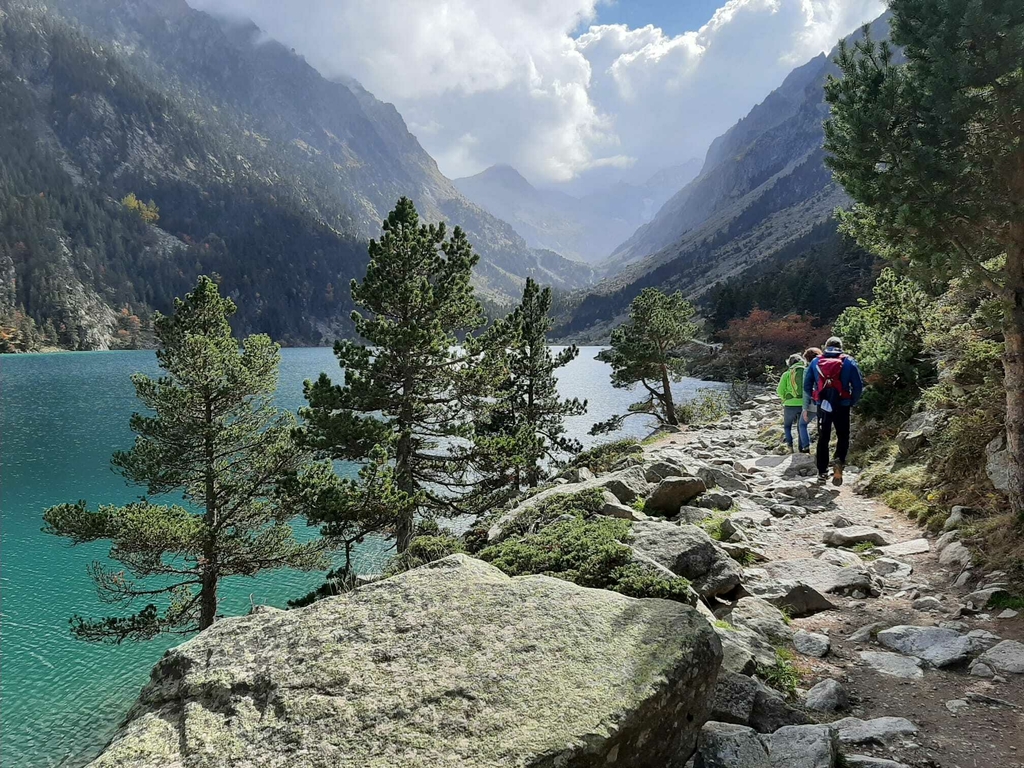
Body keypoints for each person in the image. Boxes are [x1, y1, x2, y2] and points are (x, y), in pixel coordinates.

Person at [803, 337, 863, 486]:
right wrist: (850, 401)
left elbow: (806, 385)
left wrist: (817, 397)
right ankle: (839, 461)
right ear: (841, 347)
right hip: (842, 405)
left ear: (826, 347)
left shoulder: (816, 361)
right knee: (843, 435)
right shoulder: (848, 361)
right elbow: (858, 386)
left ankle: (822, 472)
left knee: (823, 437)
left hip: (823, 405)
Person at [777, 353, 810, 453]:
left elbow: (779, 390)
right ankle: (804, 447)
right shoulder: (807, 372)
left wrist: (784, 398)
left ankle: (790, 447)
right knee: (802, 426)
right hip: (804, 404)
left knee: (787, 426)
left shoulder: (787, 374)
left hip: (790, 405)